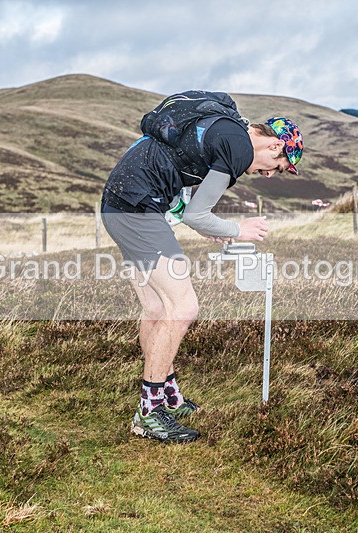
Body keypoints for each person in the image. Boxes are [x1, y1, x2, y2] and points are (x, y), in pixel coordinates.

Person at [100, 91, 303, 444]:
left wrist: (209, 226)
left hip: (120, 202)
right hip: (138, 208)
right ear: (274, 147)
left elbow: (186, 193)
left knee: (156, 307)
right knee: (183, 307)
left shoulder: (226, 126)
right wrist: (239, 229)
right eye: (278, 168)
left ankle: (167, 395)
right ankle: (149, 412)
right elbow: (198, 215)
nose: (270, 175)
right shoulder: (239, 147)